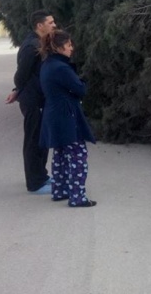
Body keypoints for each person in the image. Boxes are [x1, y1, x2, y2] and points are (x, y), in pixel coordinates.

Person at [39, 29, 97, 207]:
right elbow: (80, 89)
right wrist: (82, 82)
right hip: (66, 116)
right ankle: (77, 196)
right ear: (58, 47)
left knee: (61, 154)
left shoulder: (48, 64)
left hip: (54, 114)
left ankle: (60, 189)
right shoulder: (61, 67)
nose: (72, 48)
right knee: (78, 154)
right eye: (69, 45)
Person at [5, 10, 56, 194]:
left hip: (40, 99)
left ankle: (42, 176)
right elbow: (21, 75)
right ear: (39, 25)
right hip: (33, 100)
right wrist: (18, 90)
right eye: (50, 22)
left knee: (42, 139)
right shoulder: (31, 46)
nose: (54, 25)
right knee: (34, 141)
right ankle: (35, 183)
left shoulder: (40, 43)